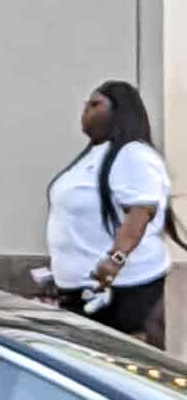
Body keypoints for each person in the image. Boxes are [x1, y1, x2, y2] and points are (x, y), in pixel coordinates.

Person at [44, 79, 179, 340]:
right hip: (81, 290)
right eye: (85, 105)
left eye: (95, 104)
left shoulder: (133, 154)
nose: (85, 111)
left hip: (122, 294)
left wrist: (115, 259)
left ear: (120, 112)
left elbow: (139, 213)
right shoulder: (94, 155)